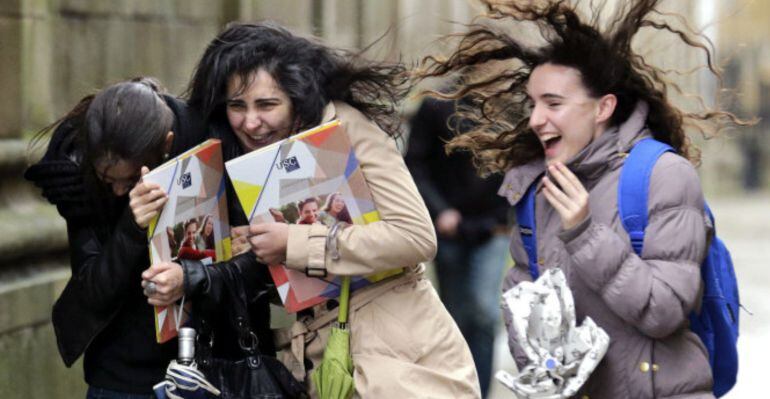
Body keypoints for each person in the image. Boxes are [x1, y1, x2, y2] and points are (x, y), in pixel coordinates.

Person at [416, 0, 746, 397]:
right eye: (534, 103)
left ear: (603, 107)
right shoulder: (536, 189)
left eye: (553, 103)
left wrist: (586, 233)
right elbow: (522, 307)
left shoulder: (662, 175)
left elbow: (664, 311)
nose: (536, 118)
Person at [184, 21, 481, 397]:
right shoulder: (246, 157)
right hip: (319, 367)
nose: (251, 122)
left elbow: (415, 237)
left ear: (297, 97)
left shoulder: (346, 127)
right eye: (237, 106)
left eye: (267, 105)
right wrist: (254, 250)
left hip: (398, 366)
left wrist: (293, 242)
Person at [24, 77, 207, 398]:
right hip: (122, 374)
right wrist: (131, 227)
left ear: (167, 144)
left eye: (131, 178)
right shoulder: (77, 177)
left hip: (202, 364)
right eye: (108, 179)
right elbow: (93, 290)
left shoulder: (200, 139)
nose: (120, 190)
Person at [405, 97, 510, 398]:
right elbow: (416, 163)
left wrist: (506, 214)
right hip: (449, 229)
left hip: (493, 227)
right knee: (455, 315)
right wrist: (440, 211)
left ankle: (480, 391)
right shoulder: (436, 106)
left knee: (483, 311)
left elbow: (519, 163)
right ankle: (457, 387)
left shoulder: (510, 104)